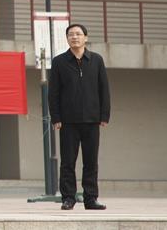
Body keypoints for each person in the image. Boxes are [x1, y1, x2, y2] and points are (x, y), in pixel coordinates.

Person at [49, 23, 110, 211]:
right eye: (70, 34)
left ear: (85, 37)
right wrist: (56, 117)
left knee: (91, 161)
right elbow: (53, 92)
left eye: (78, 34)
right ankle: (68, 198)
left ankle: (91, 198)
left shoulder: (96, 60)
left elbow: (104, 89)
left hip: (92, 119)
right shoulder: (59, 62)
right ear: (67, 39)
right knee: (68, 162)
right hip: (68, 121)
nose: (74, 37)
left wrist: (104, 115)